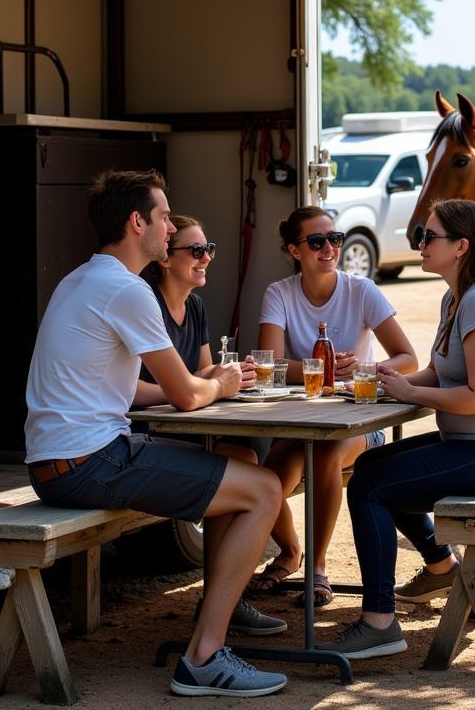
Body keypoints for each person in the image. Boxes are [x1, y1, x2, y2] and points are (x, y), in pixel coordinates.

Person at [24, 169, 287, 697]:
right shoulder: (126, 290)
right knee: (264, 491)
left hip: (60, 462)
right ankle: (204, 658)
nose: (170, 227)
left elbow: (133, 390)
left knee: (247, 476)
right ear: (135, 221)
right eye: (164, 216)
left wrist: (202, 381)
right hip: (90, 462)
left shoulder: (80, 279)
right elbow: (187, 398)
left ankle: (215, 630)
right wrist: (221, 383)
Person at [319, 198, 475, 660]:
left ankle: (379, 621)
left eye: (429, 237)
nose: (420, 243)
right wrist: (391, 381)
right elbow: (441, 372)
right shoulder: (457, 296)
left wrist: (412, 394)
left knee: (370, 486)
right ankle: (439, 567)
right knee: (371, 464)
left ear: (461, 246)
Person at [245, 206, 417, 608]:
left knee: (325, 454)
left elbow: (407, 358)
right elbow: (268, 364)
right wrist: (319, 370)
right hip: (304, 420)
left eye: (334, 239)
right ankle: (290, 552)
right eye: (317, 241)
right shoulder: (280, 292)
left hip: (357, 421)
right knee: (265, 480)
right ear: (295, 250)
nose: (330, 248)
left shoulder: (361, 290)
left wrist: (364, 369)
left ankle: (317, 567)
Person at [130, 212, 287, 640]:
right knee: (243, 465)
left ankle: (223, 599)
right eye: (195, 251)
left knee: (243, 455)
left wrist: (227, 375)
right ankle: (224, 606)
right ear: (165, 258)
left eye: (209, 250)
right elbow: (134, 390)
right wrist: (200, 387)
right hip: (145, 433)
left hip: (182, 424)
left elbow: (201, 373)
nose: (205, 259)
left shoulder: (194, 305)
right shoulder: (145, 302)